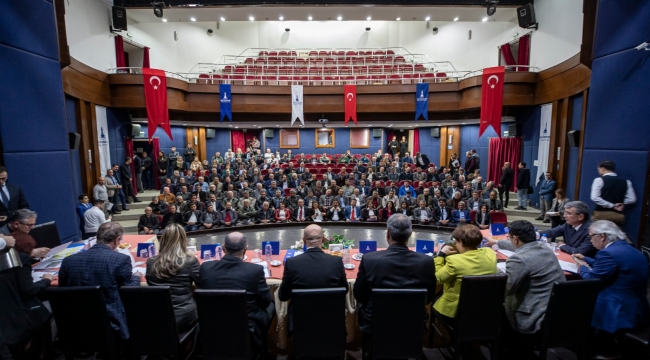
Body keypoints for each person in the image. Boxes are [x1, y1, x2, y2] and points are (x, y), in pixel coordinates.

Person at [574, 220, 650, 358]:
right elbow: (614, 265)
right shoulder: (629, 248)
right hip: (637, 304)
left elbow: (592, 279)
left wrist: (581, 267)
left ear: (602, 236)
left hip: (616, 307)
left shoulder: (607, 254)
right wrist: (586, 258)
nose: (590, 240)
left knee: (576, 303)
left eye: (591, 236)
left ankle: (591, 349)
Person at [486, 220, 564, 349]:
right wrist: (497, 242)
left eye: (509, 238)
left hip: (533, 318)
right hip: (554, 313)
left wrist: (497, 271)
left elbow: (506, 290)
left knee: (493, 309)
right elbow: (521, 246)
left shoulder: (519, 259)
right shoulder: (545, 248)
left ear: (515, 239)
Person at [59, 223, 143, 341]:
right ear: (117, 240)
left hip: (75, 324)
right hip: (111, 325)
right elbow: (130, 290)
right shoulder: (120, 260)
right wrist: (137, 276)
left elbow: (62, 291)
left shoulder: (68, 261)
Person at [354, 214, 436, 332]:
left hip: (376, 322)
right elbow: (428, 298)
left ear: (387, 234)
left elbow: (359, 295)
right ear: (410, 234)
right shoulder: (426, 262)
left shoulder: (369, 259)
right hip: (413, 321)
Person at [199, 232, 275, 350]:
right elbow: (265, 302)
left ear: (223, 248)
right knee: (271, 305)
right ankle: (261, 345)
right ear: (246, 249)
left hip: (213, 326)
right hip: (246, 327)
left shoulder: (205, 268)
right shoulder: (255, 270)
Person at [278, 225, 347, 331]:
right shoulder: (336, 262)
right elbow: (344, 290)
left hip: (300, 321)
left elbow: (283, 296)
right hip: (331, 319)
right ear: (323, 239)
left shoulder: (292, 263)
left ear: (304, 240)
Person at [0, 233, 52, 359]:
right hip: (22, 314)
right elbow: (29, 289)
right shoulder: (21, 259)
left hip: (8, 319)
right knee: (47, 310)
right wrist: (46, 280)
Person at [434, 225, 497, 323]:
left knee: (433, 297)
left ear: (461, 242)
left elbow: (437, 278)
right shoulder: (490, 253)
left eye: (456, 241)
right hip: (483, 310)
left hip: (456, 313)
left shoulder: (454, 261)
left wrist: (441, 255)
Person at [146, 224, 200, 332]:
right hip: (184, 315)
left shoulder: (151, 262)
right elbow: (202, 283)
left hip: (157, 315)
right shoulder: (190, 261)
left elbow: (149, 283)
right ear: (183, 239)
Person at [590, 160, 636, 226]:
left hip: (601, 214)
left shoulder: (599, 180)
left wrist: (612, 205)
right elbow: (632, 199)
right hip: (617, 215)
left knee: (599, 235)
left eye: (598, 169)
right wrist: (621, 204)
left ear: (603, 169)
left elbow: (595, 197)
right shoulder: (626, 182)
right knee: (615, 235)